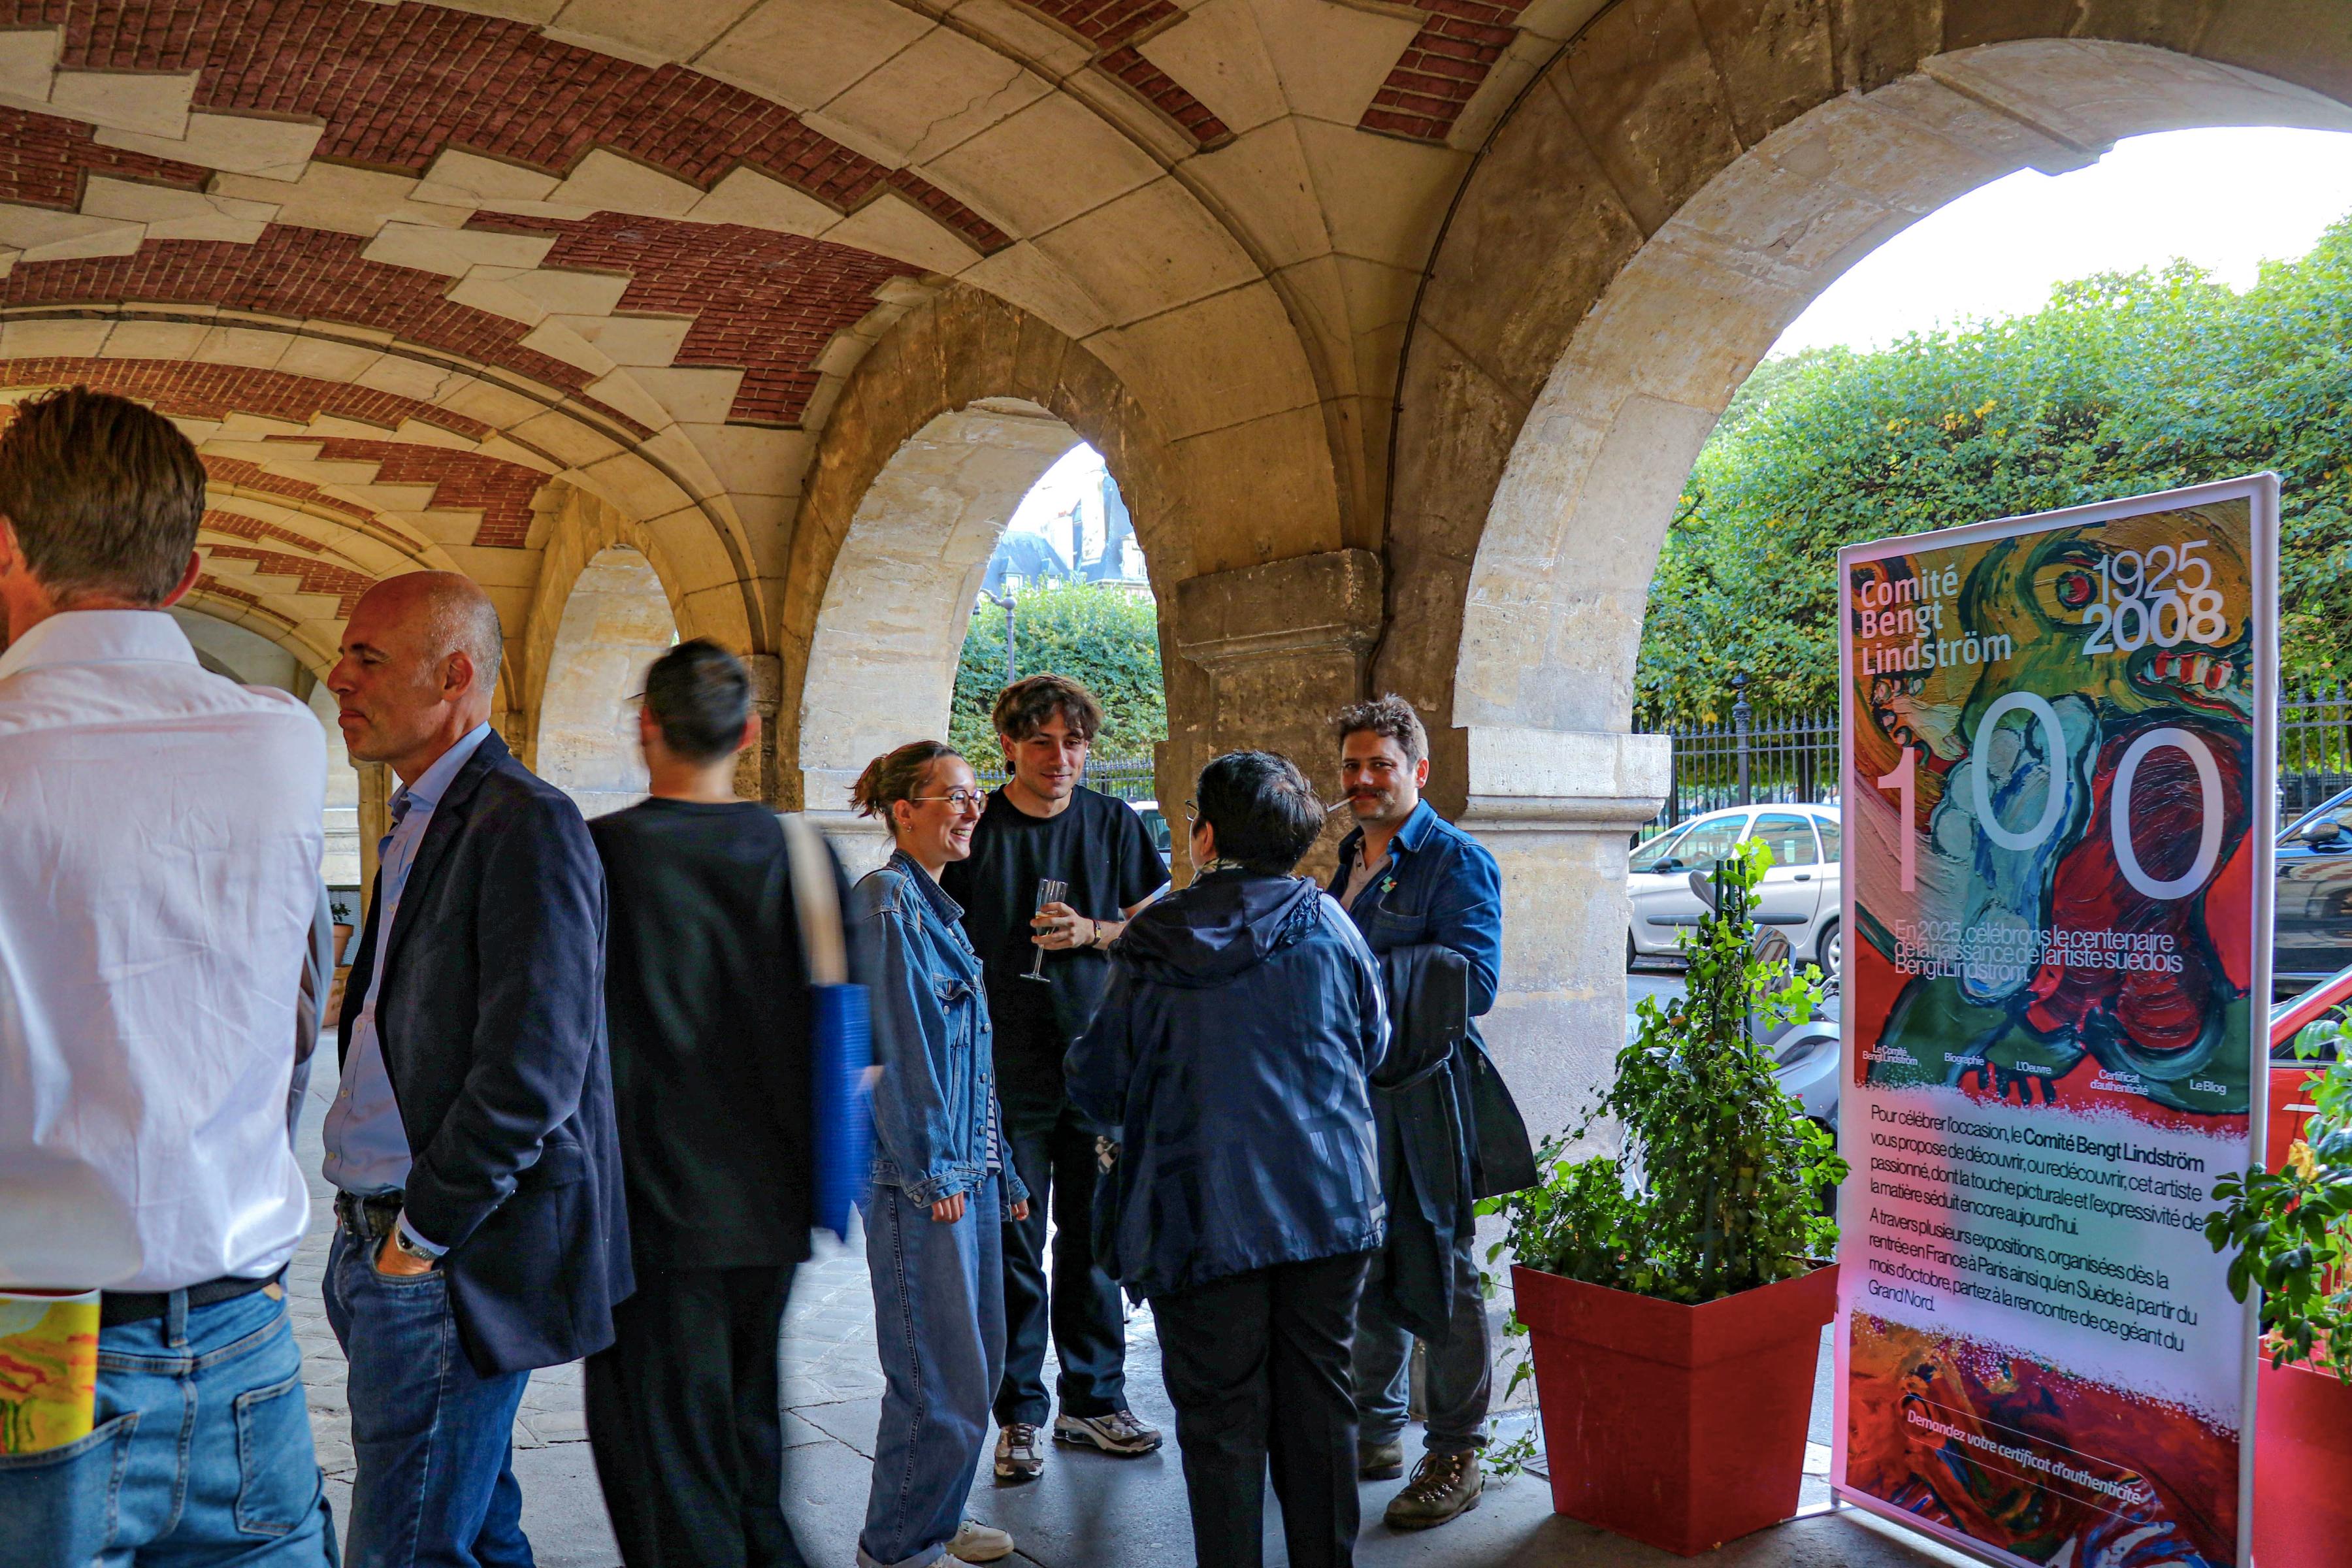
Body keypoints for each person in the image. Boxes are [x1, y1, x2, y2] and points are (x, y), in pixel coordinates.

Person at [0, 387, 336, 1564]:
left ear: (5, 545)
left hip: (27, 1351)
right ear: (188, 574)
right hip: (246, 1342)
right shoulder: (283, 746)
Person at [324, 571, 630, 1568]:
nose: (339, 676)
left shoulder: (526, 820)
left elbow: (533, 1070)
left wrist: (421, 1235)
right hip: (378, 1239)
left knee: (404, 1550)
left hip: (443, 1258)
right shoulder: (419, 817)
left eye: (368, 657)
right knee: (474, 1526)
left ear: (454, 673)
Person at [1068, 750, 1388, 1568]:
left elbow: (1099, 1079)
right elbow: (1374, 1042)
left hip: (1199, 1211)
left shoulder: (1150, 942)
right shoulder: (1329, 924)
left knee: (1219, 1425)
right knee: (1321, 1409)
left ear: (1204, 836)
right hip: (1328, 1206)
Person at [585, 639, 840, 1568]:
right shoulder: (799, 850)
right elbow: (845, 1027)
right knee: (746, 1439)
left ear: (648, 723)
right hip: (771, 1204)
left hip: (648, 1210)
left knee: (663, 1456)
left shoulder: (601, 853)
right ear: (752, 732)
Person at [937, 675, 1168, 1481]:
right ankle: (1018, 1413)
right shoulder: (978, 829)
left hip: (1099, 1068)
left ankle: (1094, 1402)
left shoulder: (1112, 821)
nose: (1060, 758)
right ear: (1007, 744)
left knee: (1095, 1239)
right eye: (1042, 742)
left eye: (1074, 743)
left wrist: (1097, 931)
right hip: (1003, 1076)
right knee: (1011, 1244)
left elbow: (1157, 918)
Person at [849, 741, 1034, 1568]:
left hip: (970, 1169)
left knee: (977, 1360)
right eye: (952, 798)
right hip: (923, 1177)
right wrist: (933, 1170)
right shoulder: (888, 904)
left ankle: (938, 1510)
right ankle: (898, 1547)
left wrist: (1006, 1170)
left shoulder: (937, 910)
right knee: (938, 1377)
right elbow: (904, 1048)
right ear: (903, 811)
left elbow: (972, 1059)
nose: (970, 811)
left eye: (974, 798)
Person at [1330, 695, 1506, 1529]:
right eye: (1353, 766)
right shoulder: (1348, 854)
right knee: (1365, 1250)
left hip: (1428, 1091)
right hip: (1358, 1093)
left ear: (1419, 772)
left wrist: (1363, 974)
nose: (1364, 780)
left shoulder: (1455, 860)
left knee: (1443, 1265)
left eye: (1382, 766)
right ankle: (1373, 1430)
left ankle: (1457, 1449)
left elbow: (1476, 980)